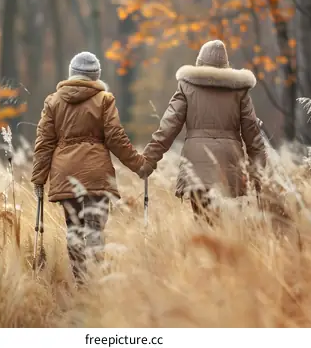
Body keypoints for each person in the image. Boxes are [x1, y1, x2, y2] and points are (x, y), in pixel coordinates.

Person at [31, 51, 151, 284]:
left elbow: (44, 143)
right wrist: (139, 165)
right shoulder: (104, 100)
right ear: (95, 76)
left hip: (65, 173)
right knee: (95, 229)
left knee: (74, 229)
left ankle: (81, 283)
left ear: (71, 74)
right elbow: (116, 137)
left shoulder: (53, 101)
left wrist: (38, 179)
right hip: (96, 174)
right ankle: (96, 282)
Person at [139, 39, 266, 224]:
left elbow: (168, 127)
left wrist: (149, 159)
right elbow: (252, 134)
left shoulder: (187, 86)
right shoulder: (239, 91)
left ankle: (204, 251)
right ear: (226, 65)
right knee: (228, 227)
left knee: (203, 223)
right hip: (229, 165)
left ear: (199, 62)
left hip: (196, 166)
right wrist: (258, 174)